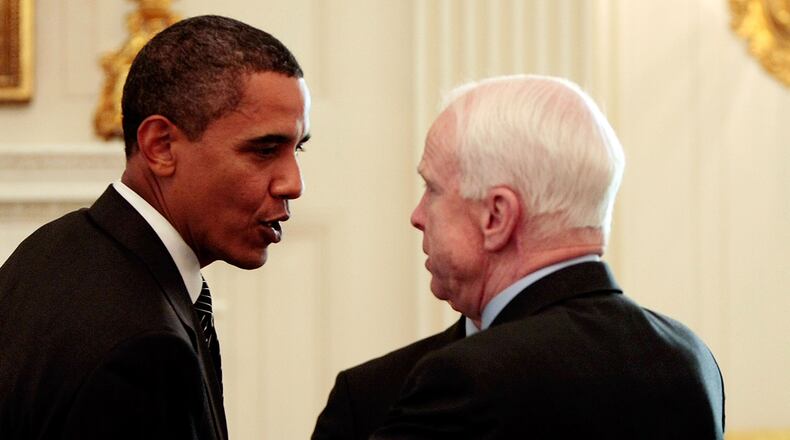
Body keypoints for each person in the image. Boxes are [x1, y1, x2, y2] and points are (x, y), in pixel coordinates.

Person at [316, 75, 725, 439]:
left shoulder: (459, 382)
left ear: (496, 216)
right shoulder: (691, 359)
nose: (417, 216)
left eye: (433, 189)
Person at [0, 15, 310, 440]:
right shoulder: (142, 349)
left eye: (298, 148)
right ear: (161, 146)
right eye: (265, 149)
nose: (293, 183)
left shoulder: (54, 247)